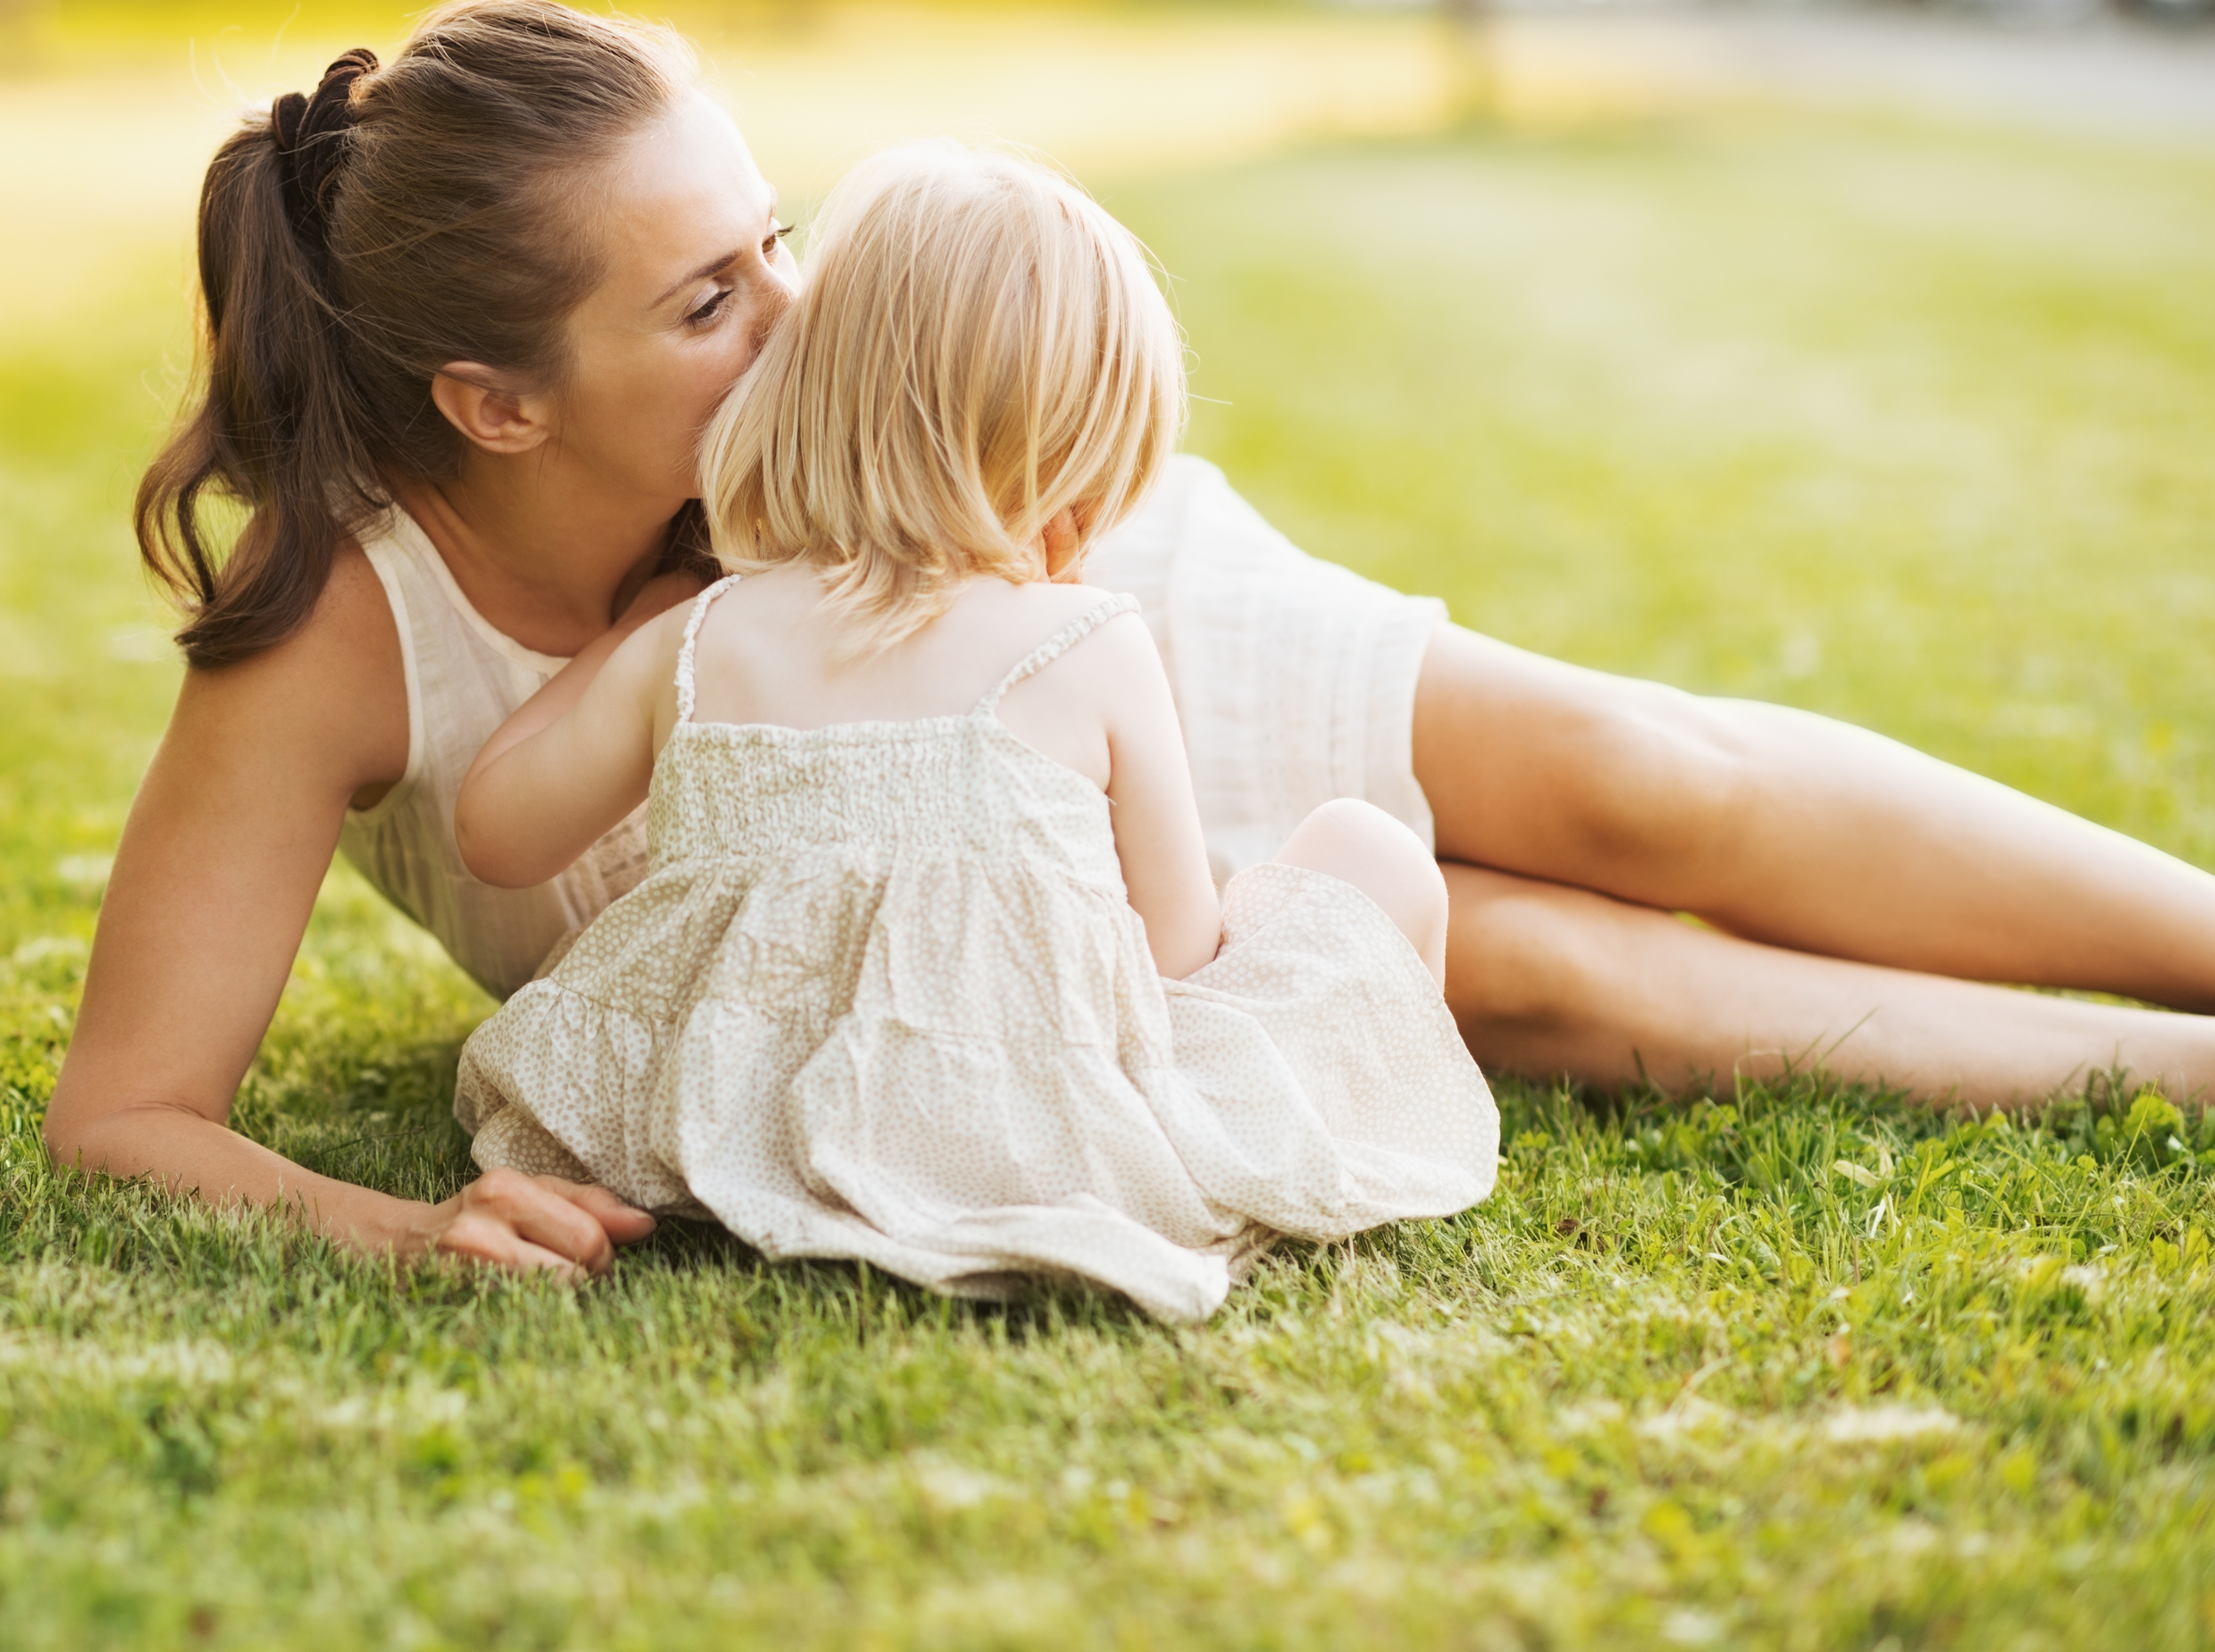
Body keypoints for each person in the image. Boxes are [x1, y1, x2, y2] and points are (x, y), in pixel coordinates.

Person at [43, 0, 2215, 1281]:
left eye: (776, 239)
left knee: (1650, 786)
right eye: (707, 304)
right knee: (1534, 966)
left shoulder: (879, 443)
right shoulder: (341, 631)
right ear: (493, 407)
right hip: (960, 957)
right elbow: (129, 1112)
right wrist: (411, 1231)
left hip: (1039, 604)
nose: (810, 320)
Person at [446, 139, 1499, 1320]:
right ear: (1057, 476)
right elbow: (1174, 956)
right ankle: (1396, 1104)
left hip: (733, 1118)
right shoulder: (1086, 639)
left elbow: (495, 832)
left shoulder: (692, 643)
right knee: (1364, 851)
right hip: (1031, 1131)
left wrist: (627, 631)